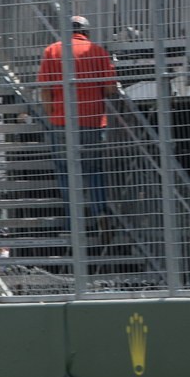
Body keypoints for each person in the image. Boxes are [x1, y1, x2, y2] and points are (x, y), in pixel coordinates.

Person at [37, 16, 120, 226]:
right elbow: (111, 89)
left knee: (66, 170)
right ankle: (100, 212)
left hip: (62, 121)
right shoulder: (98, 51)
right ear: (86, 32)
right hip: (92, 120)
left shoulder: (52, 51)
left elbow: (45, 91)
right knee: (93, 169)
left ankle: (73, 219)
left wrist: (51, 116)